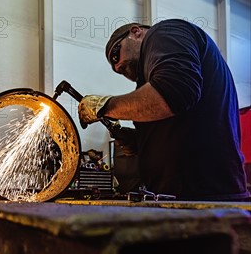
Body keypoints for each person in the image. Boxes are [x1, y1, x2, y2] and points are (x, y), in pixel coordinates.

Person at [78, 19, 249, 202]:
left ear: (136, 32)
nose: (119, 67)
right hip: (187, 196)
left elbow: (175, 91)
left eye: (115, 55)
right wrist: (138, 141)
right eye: (116, 70)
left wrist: (105, 106)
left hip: (206, 197)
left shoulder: (164, 32)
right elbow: (182, 122)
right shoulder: (152, 76)